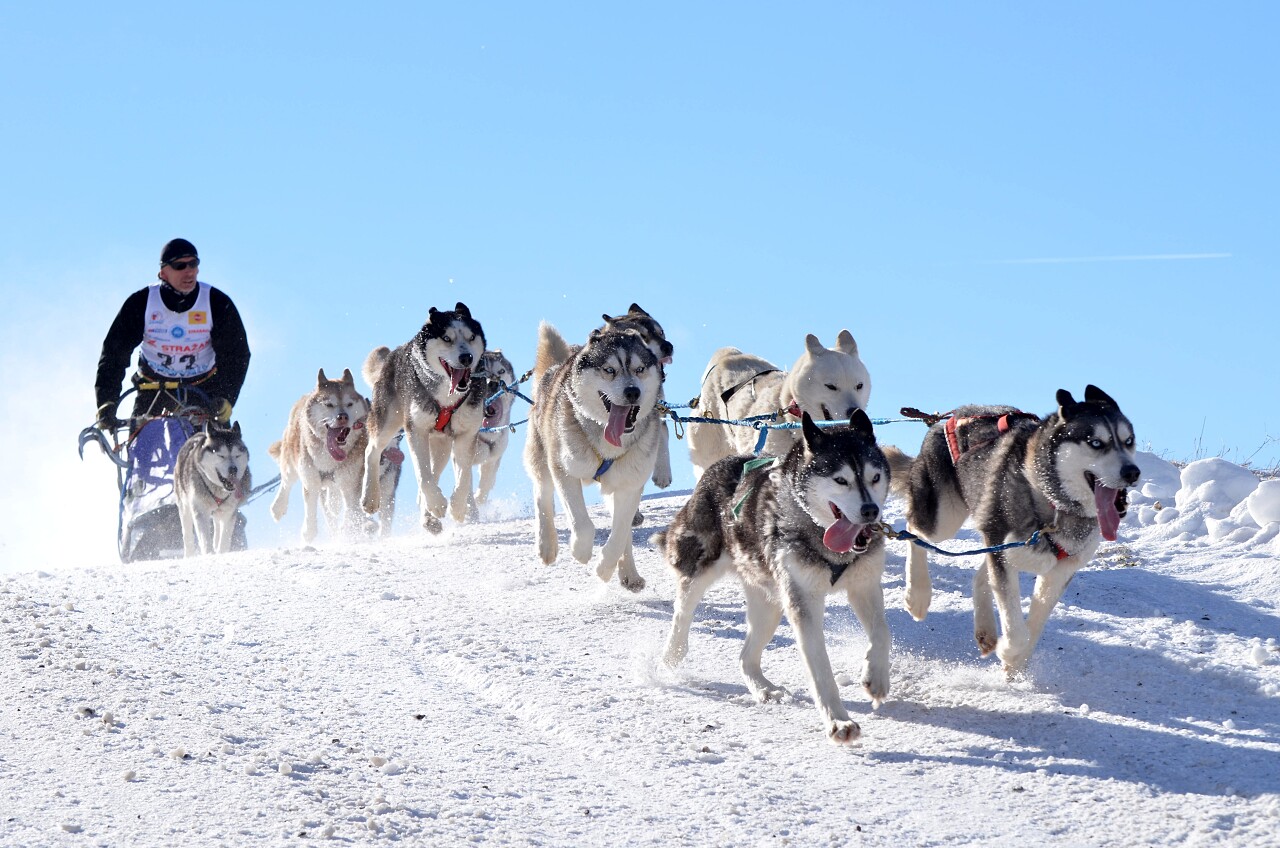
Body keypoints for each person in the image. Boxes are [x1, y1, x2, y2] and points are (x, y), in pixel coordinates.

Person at [95, 238, 251, 429]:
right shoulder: (141, 303)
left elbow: (237, 354)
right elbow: (114, 354)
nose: (189, 271)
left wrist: (226, 396)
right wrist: (107, 401)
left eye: (193, 264)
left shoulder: (216, 303)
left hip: (204, 389)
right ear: (163, 273)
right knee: (142, 445)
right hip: (152, 388)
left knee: (221, 445)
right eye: (180, 266)